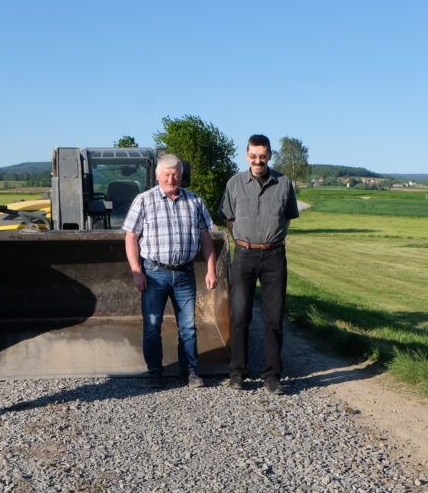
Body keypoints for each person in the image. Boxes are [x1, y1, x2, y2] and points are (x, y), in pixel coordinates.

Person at [123, 154, 218, 388]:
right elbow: (131, 237)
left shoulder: (195, 201)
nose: (171, 178)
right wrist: (136, 270)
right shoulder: (143, 200)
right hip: (154, 273)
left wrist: (211, 268)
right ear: (158, 176)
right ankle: (155, 371)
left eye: (175, 174)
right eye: (167, 174)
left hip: (185, 274)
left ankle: (191, 371)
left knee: (188, 326)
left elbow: (206, 237)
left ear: (181, 176)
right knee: (152, 325)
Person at [219, 134, 299, 395]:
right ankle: (238, 372)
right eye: (253, 156)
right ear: (246, 155)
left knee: (274, 318)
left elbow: (287, 218)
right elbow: (229, 218)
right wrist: (244, 242)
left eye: (262, 156)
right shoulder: (234, 183)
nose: (258, 160)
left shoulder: (284, 183)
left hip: (274, 257)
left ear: (270, 156)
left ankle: (272, 375)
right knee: (240, 315)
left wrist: (272, 240)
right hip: (244, 256)